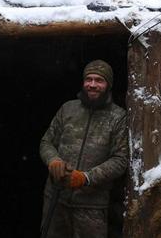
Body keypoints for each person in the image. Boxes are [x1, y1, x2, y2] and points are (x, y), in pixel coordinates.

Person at [39, 60, 129, 238]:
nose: (93, 85)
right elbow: (46, 142)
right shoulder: (68, 109)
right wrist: (53, 160)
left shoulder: (118, 117)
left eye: (99, 80)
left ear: (108, 85)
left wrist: (85, 178)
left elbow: (120, 160)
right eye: (89, 79)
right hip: (56, 199)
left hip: (92, 206)